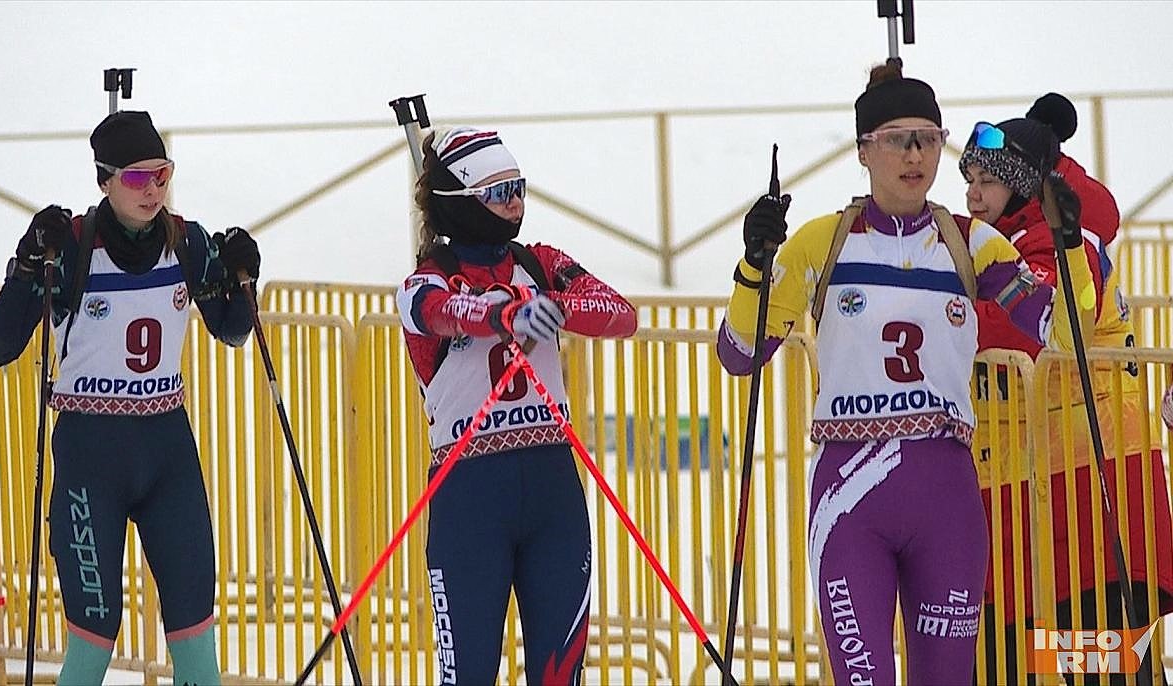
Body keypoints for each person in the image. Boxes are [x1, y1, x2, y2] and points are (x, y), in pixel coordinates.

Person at [715, 61, 1087, 684]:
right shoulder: (822, 243)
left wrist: (1069, 246)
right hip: (850, 499)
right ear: (864, 150)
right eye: (896, 140)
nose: (915, 155)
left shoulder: (973, 243)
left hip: (947, 498)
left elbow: (1063, 331)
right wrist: (753, 266)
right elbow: (739, 354)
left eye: (929, 139)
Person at [0, 110, 260, 686]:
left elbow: (232, 330)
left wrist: (245, 275)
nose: (152, 189)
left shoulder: (187, 242)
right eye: (135, 178)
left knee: (196, 640)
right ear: (104, 180)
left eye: (161, 174)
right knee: (93, 641)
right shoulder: (71, 248)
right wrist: (27, 265)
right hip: (91, 458)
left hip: (168, 453)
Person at [395, 126, 637, 685]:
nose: (515, 204)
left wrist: (552, 304)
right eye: (499, 192)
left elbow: (620, 314)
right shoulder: (425, 280)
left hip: (553, 494)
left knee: (560, 674)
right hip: (470, 499)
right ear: (460, 201)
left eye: (519, 188)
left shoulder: (541, 262)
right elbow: (439, 312)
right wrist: (504, 313)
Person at [964, 93, 1173, 685]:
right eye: (969, 180)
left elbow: (1034, 325)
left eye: (987, 181)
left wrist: (942, 317)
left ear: (1023, 187)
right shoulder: (996, 245)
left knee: (1095, 662)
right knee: (1010, 662)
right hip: (1026, 488)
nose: (973, 195)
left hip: (1090, 491)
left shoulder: (1070, 245)